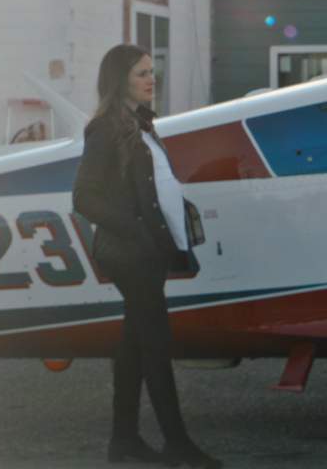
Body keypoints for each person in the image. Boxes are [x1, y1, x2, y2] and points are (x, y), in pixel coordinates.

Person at [73, 44, 221, 468]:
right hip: (130, 254)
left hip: (147, 253)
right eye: (141, 73)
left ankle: (124, 442)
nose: (150, 79)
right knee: (155, 345)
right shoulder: (104, 128)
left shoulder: (139, 124)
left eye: (151, 72)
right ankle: (177, 444)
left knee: (134, 346)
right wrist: (136, 230)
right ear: (120, 79)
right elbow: (84, 197)